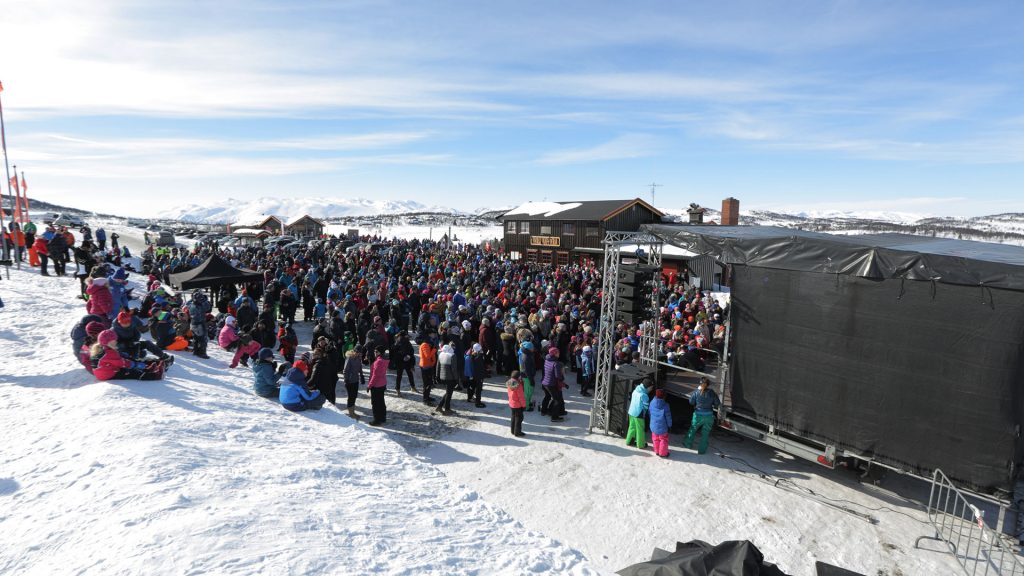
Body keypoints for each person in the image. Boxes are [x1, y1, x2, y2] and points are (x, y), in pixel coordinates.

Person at [91, 329, 165, 381]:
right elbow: (122, 363)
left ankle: (147, 370)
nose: (115, 343)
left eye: (115, 341)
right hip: (107, 374)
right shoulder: (109, 353)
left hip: (104, 372)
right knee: (131, 372)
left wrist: (124, 356)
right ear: (105, 343)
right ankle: (155, 376)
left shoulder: (102, 349)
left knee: (127, 367)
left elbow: (115, 360)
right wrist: (135, 364)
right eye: (112, 343)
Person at [686, 376, 720, 455]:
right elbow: (717, 403)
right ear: (708, 384)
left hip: (698, 415)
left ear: (700, 384)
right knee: (705, 434)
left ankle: (688, 444)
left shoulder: (696, 392)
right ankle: (701, 450)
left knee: (693, 429)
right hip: (709, 416)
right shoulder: (712, 393)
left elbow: (691, 402)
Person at [625, 379, 654, 449]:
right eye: (651, 387)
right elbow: (646, 407)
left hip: (631, 412)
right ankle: (641, 445)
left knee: (632, 427)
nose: (651, 389)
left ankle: (629, 441)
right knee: (640, 429)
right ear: (647, 387)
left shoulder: (635, 390)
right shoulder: (644, 395)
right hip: (639, 414)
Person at [540, 346, 566, 422]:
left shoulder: (547, 360)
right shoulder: (556, 363)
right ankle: (554, 417)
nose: (559, 353)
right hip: (551, 384)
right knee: (557, 400)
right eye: (557, 352)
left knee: (547, 396)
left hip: (544, 383)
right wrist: (562, 378)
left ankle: (543, 411)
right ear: (554, 354)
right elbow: (558, 376)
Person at [367, 345, 389, 425]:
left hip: (376, 385)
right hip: (382, 383)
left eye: (376, 351)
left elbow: (375, 376)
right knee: (381, 402)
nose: (374, 352)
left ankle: (376, 420)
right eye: (374, 351)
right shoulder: (384, 359)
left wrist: (369, 385)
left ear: (380, 352)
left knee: (375, 403)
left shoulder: (378, 361)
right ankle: (383, 418)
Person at [434, 341, 458, 416]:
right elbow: (454, 369)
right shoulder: (452, 355)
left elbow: (437, 366)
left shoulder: (441, 354)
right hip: (450, 377)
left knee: (448, 392)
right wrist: (456, 379)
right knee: (449, 393)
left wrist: (437, 376)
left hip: (442, 377)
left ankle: (439, 406)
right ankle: (447, 409)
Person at [341, 345, 365, 419]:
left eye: (361, 353)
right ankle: (351, 413)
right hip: (349, 381)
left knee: (354, 396)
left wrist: (361, 375)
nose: (360, 354)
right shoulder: (349, 358)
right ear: (355, 351)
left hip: (355, 380)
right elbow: (345, 370)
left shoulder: (358, 358)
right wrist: (346, 380)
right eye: (359, 353)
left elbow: (360, 367)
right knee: (351, 397)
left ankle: (352, 411)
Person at [391, 330, 417, 395]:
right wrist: (412, 362)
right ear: (405, 335)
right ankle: (413, 387)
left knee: (399, 376)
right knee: (410, 374)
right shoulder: (407, 341)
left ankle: (398, 389)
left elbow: (393, 351)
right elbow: (411, 352)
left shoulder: (397, 341)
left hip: (399, 361)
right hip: (407, 360)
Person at [649, 389, 673, 457]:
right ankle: (662, 453)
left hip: (653, 425)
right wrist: (670, 425)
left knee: (655, 439)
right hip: (663, 427)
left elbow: (650, 413)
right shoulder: (666, 405)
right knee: (663, 440)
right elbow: (668, 417)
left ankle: (657, 451)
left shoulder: (652, 402)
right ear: (664, 396)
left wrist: (652, 421)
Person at [463, 342, 486, 408]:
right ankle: (476, 401)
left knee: (474, 387)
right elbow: (474, 367)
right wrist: (470, 375)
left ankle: (473, 398)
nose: (481, 350)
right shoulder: (474, 357)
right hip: (475, 375)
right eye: (480, 349)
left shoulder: (473, 356)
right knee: (475, 388)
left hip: (475, 375)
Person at [418, 335, 437, 406]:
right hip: (425, 366)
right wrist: (434, 350)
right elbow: (427, 356)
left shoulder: (426, 344)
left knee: (429, 383)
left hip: (427, 365)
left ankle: (427, 397)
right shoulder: (425, 345)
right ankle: (425, 399)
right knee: (426, 383)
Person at [518, 341, 537, 411]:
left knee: (529, 391)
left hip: (527, 376)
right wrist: (531, 379)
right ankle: (526, 407)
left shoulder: (527, 354)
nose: (533, 348)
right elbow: (527, 370)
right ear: (529, 348)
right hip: (527, 377)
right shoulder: (527, 357)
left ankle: (528, 403)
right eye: (532, 347)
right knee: (527, 392)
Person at [507, 370, 526, 437]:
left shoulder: (509, 382)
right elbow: (521, 397)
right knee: (519, 418)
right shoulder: (519, 386)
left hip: (512, 404)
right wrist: (524, 405)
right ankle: (517, 432)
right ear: (518, 377)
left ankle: (513, 430)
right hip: (518, 405)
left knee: (513, 417)